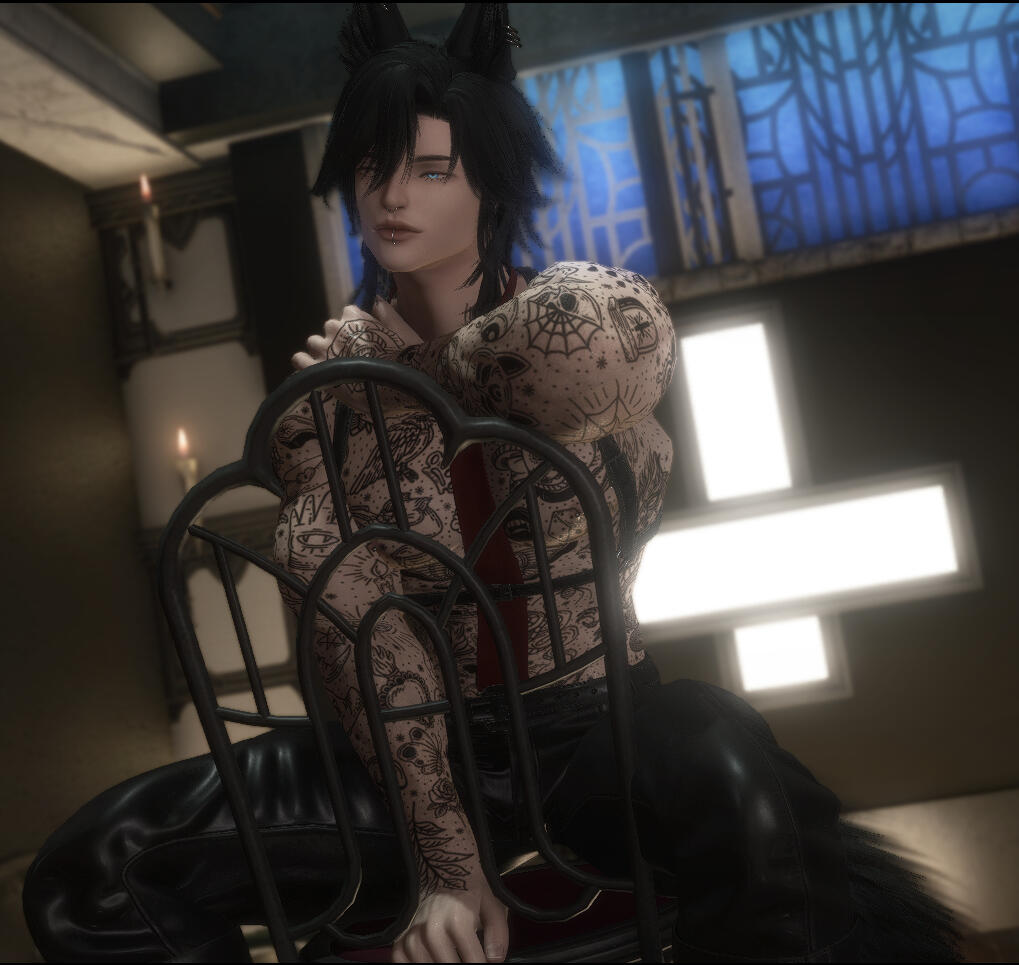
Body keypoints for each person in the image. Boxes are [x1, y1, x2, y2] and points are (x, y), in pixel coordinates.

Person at [22, 4, 962, 963]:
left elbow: (605, 370)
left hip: (591, 732)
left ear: (491, 183)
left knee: (721, 742)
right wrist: (446, 860)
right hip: (397, 759)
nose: (392, 196)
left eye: (431, 170)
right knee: (91, 868)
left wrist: (415, 374)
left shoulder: (567, 317)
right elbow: (335, 596)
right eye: (371, 167)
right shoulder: (328, 388)